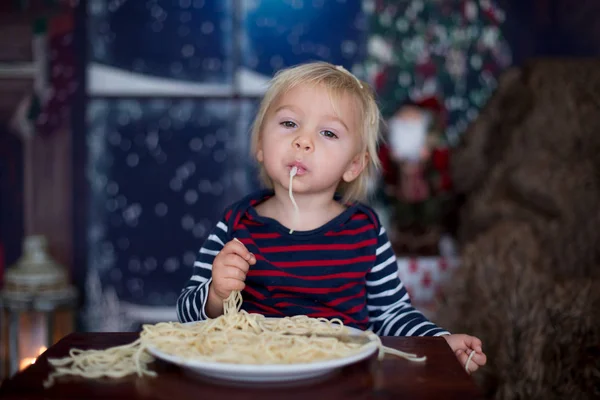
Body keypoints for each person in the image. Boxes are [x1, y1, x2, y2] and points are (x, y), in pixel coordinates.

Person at [177, 61, 486, 373]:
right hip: (254, 375)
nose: (303, 140)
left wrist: (437, 341)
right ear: (260, 143)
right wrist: (215, 294)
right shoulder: (236, 224)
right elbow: (186, 315)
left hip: (343, 379)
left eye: (327, 132)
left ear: (353, 165)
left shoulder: (365, 231)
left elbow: (391, 313)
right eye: (288, 124)